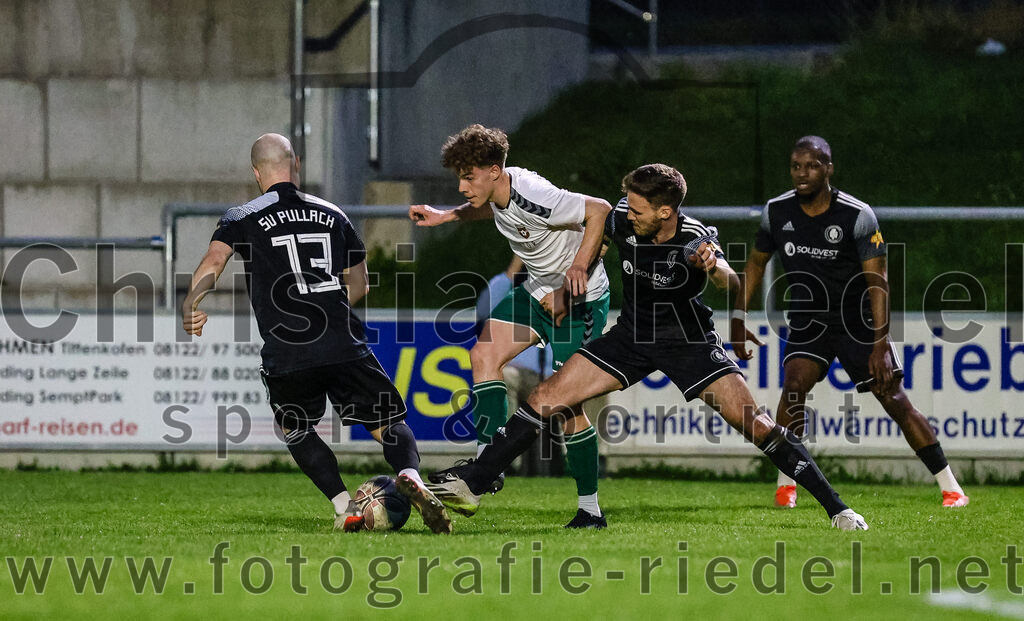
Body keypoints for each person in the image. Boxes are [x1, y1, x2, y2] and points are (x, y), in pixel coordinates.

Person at [429, 163, 869, 531]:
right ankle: (477, 481)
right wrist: (569, 285)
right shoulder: (623, 217)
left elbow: (730, 279)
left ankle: (838, 508)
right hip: (632, 337)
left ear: (664, 212)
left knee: (755, 423)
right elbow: (598, 240)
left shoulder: (693, 239)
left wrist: (728, 304)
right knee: (546, 397)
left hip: (687, 342)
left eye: (638, 209)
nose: (628, 213)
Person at [182, 133, 452, 534]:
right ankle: (410, 473)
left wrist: (191, 304)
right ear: (297, 164)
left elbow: (214, 260)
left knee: (296, 426)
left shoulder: (240, 217)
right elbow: (360, 284)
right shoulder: (334, 213)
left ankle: (344, 505)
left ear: (257, 173)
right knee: (385, 421)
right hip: (342, 338)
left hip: (287, 347)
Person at [732, 136, 969, 509]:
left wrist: (881, 343)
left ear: (828, 168)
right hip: (809, 321)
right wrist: (737, 316)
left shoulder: (857, 215)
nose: (802, 174)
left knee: (893, 398)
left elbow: (879, 281)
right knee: (793, 387)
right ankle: (786, 485)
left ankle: (951, 487)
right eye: (796, 166)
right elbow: (756, 264)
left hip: (857, 324)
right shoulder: (776, 211)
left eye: (811, 165)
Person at [410, 124, 612, 528]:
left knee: (568, 408)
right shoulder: (500, 191)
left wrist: (576, 269)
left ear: (495, 171)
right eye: (460, 178)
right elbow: (490, 207)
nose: (463, 185)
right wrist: (446, 215)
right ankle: (489, 463)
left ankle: (590, 510)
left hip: (579, 300)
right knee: (483, 352)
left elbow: (601, 210)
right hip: (536, 292)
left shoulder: (534, 193)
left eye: (469, 177)